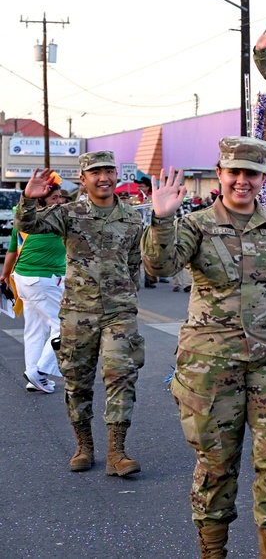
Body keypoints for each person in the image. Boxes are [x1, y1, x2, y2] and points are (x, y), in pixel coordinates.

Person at [142, 137, 266, 559]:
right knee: (215, 467)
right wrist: (161, 219)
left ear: (264, 178)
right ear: (220, 173)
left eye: (251, 173)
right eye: (234, 172)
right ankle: (213, 554)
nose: (242, 181)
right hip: (210, 366)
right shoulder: (193, 225)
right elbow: (159, 266)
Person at [14, 151, 145, 475]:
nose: (104, 178)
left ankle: (117, 452)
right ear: (84, 179)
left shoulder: (131, 217)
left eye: (109, 171)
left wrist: (127, 293)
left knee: (120, 376)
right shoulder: (68, 213)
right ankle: (84, 446)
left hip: (119, 312)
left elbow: (133, 261)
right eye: (96, 172)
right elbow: (28, 224)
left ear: (117, 176)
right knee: (77, 381)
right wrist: (29, 199)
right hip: (77, 311)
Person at [0, 179, 68, 394]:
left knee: (35, 330)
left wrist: (4, 274)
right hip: (44, 280)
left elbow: (12, 249)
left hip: (24, 279)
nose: (59, 201)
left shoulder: (24, 221)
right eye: (54, 198)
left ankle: (33, 376)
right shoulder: (56, 221)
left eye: (60, 197)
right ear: (41, 201)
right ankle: (40, 372)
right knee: (64, 328)